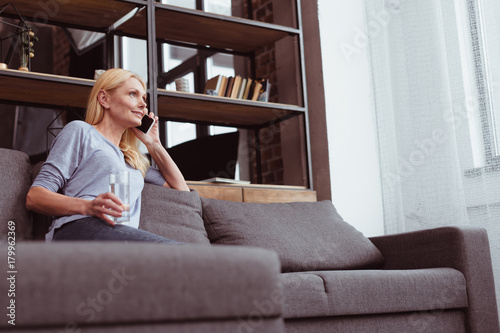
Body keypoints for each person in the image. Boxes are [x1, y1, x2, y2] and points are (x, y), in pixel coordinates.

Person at [26, 68, 190, 243]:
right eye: (133, 94)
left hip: (119, 235)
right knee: (182, 254)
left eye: (144, 98)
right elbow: (34, 197)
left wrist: (153, 144)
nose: (143, 104)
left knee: (189, 258)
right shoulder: (80, 131)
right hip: (78, 228)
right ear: (104, 99)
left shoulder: (133, 160)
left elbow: (182, 191)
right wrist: (89, 206)